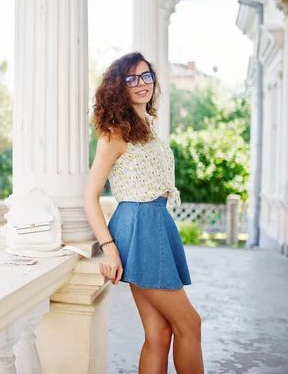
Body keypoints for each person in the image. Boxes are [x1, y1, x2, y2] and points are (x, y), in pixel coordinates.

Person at [83, 52, 204, 374]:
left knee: (159, 332)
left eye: (146, 76)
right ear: (118, 87)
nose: (141, 84)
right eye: (131, 78)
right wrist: (109, 249)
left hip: (156, 223)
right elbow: (90, 195)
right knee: (190, 324)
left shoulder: (146, 127)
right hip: (140, 227)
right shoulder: (114, 134)